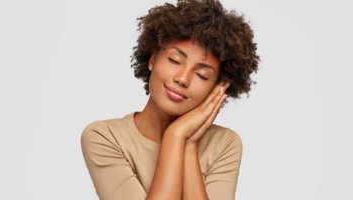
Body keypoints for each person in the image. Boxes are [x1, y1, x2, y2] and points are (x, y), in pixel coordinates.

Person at [80, 0, 259, 199]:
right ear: (152, 59)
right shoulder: (105, 137)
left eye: (202, 75)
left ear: (217, 87)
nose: (182, 79)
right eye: (174, 61)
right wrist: (176, 136)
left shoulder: (224, 144)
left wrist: (187, 143)